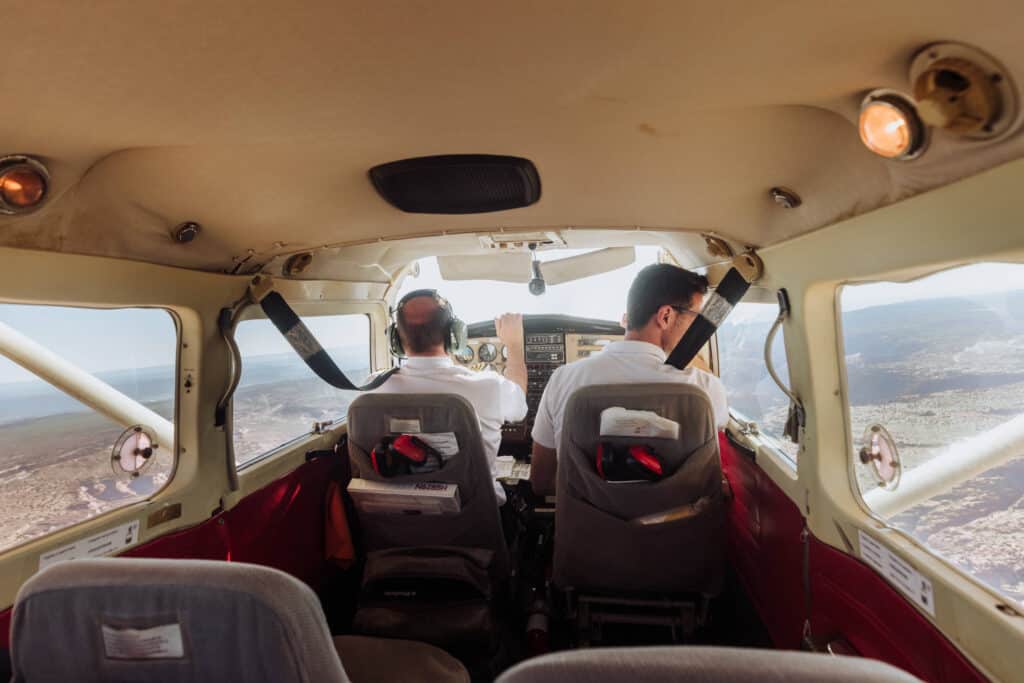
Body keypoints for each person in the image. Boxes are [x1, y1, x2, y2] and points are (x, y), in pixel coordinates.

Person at [529, 263, 729, 496]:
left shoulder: (563, 379)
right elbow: (713, 471)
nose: (697, 330)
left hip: (586, 530)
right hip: (677, 531)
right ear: (665, 316)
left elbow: (541, 481)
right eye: (696, 318)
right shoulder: (706, 389)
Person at [372, 290, 528, 505]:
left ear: (395, 339)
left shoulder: (372, 389)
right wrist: (515, 346)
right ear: (455, 335)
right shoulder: (488, 387)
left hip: (397, 524)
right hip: (478, 520)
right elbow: (520, 408)